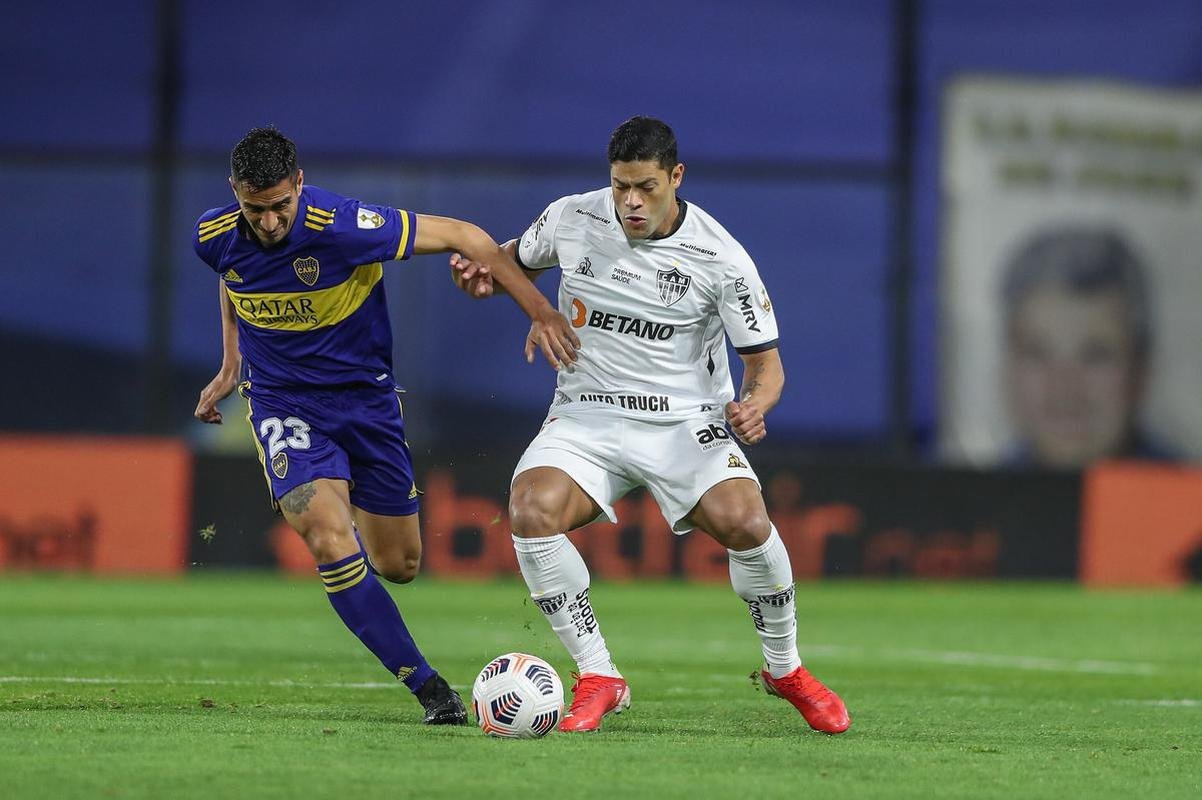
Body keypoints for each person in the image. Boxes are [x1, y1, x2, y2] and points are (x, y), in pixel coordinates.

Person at [450, 116, 850, 734]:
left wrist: (756, 405)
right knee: (531, 509)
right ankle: (599, 674)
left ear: (675, 178)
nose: (631, 202)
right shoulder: (572, 218)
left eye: (645, 187)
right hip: (587, 416)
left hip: (684, 424)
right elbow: (508, 262)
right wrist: (483, 277)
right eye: (619, 187)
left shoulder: (723, 259)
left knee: (747, 522)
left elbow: (767, 370)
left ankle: (785, 668)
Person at [192, 127, 578, 725]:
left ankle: (358, 571)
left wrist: (540, 308)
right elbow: (233, 279)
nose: (268, 223)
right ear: (235, 193)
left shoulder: (344, 225)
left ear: (298, 184)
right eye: (255, 208)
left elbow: (464, 235)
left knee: (399, 565)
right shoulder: (213, 235)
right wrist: (230, 364)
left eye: (278, 207)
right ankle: (430, 689)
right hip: (282, 403)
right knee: (325, 533)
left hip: (366, 404)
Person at [1000, 225, 1174, 468]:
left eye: (1094, 357)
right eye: (1037, 354)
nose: (1065, 389)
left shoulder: (1190, 497)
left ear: (1141, 370)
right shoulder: (971, 499)